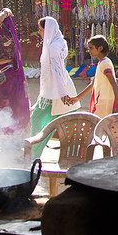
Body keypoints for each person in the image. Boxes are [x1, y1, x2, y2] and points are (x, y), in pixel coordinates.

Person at [25, 16, 80, 159]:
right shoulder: (60, 42)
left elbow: (57, 71)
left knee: (39, 121)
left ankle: (33, 154)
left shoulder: (53, 47)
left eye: (41, 29)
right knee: (49, 123)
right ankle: (34, 153)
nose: (39, 32)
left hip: (55, 93)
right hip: (55, 90)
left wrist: (62, 94)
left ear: (48, 30)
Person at [0, 9, 30, 136]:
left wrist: (6, 12)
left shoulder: (6, 35)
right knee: (0, 109)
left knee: (5, 108)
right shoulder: (2, 37)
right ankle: (1, 137)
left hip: (5, 81)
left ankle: (7, 138)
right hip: (2, 79)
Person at [69, 35, 118, 118]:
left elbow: (114, 84)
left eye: (91, 48)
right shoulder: (102, 63)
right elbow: (92, 84)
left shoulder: (105, 64)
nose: (88, 51)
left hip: (104, 103)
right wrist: (77, 98)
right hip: (101, 102)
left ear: (100, 48)